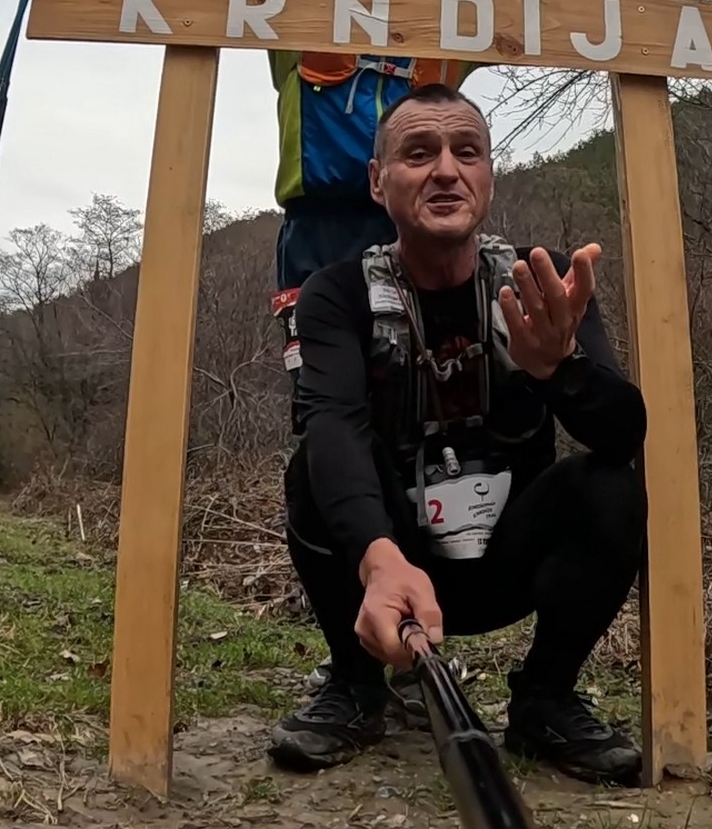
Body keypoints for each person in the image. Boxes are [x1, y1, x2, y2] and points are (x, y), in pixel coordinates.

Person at [11, 0, 620, 300]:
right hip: (320, 234)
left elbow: (580, 23)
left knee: (437, 402)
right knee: (330, 403)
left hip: (433, 229)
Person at [269, 82, 648, 785]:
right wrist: (379, 560)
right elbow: (333, 426)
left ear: (488, 176)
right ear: (377, 182)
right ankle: (355, 685)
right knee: (311, 470)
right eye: (418, 153)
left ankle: (546, 699)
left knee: (608, 484)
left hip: (507, 561)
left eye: (466, 152)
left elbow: (623, 433)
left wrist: (561, 370)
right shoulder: (336, 294)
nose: (446, 169)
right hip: (392, 569)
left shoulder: (541, 281)